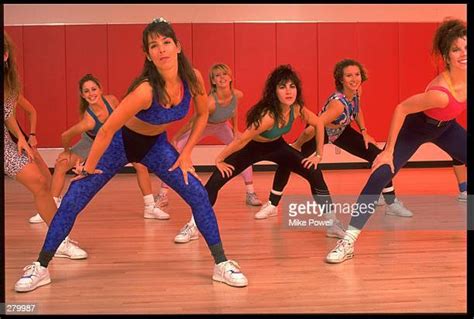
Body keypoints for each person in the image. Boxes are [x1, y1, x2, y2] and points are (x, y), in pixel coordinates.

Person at [14, 17, 247, 293]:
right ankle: (41, 267)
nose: (161, 49)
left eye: (166, 42)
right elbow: (107, 130)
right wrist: (89, 165)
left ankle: (221, 264)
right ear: (148, 55)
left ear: (178, 46)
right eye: (154, 45)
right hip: (121, 143)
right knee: (75, 197)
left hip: (156, 146)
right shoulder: (145, 90)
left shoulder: (192, 77)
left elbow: (202, 114)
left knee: (198, 194)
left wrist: (186, 154)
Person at [325, 18, 466, 264]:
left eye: (467, 47)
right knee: (381, 173)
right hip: (417, 128)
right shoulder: (439, 94)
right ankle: (348, 240)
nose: (463, 54)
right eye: (456, 49)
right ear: (446, 55)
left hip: (448, 128)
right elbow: (401, 108)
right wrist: (388, 151)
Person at [175, 64, 345, 244]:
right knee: (216, 181)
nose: (288, 91)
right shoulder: (267, 116)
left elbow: (319, 123)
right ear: (274, 91)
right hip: (250, 148)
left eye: (291, 86)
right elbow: (241, 140)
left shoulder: (297, 108)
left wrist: (318, 155)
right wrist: (219, 159)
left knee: (314, 172)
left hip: (277, 146)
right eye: (282, 87)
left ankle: (332, 224)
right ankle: (193, 225)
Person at [258, 59, 413, 220]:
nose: (354, 79)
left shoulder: (357, 91)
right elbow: (315, 126)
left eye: (357, 74)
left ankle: (390, 201)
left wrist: (364, 131)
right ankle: (272, 204)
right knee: (288, 161)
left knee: (379, 156)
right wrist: (297, 146)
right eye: (348, 76)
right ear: (341, 79)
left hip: (342, 131)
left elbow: (357, 109)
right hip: (320, 131)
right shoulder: (337, 105)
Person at [29, 73, 169, 224]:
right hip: (91, 142)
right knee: (61, 165)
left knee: (141, 165)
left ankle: (149, 207)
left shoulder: (112, 100)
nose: (91, 93)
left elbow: (126, 117)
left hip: (116, 137)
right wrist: (66, 151)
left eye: (94, 89)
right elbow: (65, 135)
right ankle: (49, 208)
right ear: (82, 95)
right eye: (86, 91)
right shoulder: (88, 121)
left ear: (101, 89)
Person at [4, 31, 87, 261]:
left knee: (41, 183)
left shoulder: (9, 84)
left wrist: (21, 136)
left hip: (5, 144)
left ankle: (58, 241)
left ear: (5, 56)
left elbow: (8, 115)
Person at [163, 63, 262, 243]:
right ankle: (162, 194)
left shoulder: (237, 95)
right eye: (217, 76)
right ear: (213, 82)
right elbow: (194, 120)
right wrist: (178, 136)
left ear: (231, 77)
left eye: (225, 74)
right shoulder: (210, 102)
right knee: (177, 155)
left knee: (243, 151)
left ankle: (250, 192)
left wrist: (236, 131)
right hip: (203, 126)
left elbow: (234, 110)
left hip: (222, 126)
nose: (222, 78)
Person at [6, 95, 54, 223]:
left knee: (41, 171)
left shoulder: (12, 92)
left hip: (15, 132)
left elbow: (32, 111)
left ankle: (52, 202)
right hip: (8, 135)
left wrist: (32, 135)